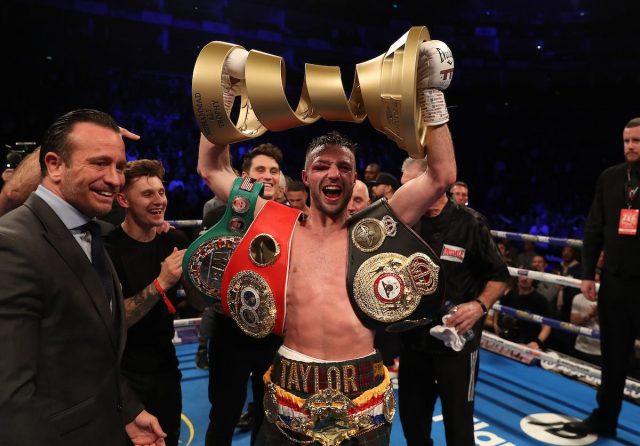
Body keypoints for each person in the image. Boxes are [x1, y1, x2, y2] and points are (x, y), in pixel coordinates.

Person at [196, 38, 456, 445]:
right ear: (305, 175)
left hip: (362, 394)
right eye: (322, 166)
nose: (333, 174)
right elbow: (211, 167)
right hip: (287, 390)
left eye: (343, 167)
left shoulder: (376, 227)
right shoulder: (275, 220)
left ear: (355, 178)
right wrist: (225, 93)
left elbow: (441, 176)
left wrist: (431, 98)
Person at [0, 109, 165, 446]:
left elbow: (91, 350)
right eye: (99, 163)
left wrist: (128, 411)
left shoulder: (89, 230)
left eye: (118, 167)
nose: (115, 179)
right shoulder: (13, 243)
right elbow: (10, 397)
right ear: (55, 165)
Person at [397, 157, 510, 446]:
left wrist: (479, 306)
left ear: (431, 185)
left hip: (457, 345)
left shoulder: (469, 223)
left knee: (459, 428)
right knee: (413, 424)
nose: (403, 196)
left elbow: (500, 277)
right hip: (413, 343)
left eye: (409, 188)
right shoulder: (404, 222)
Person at [104, 159, 192, 446]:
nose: (159, 201)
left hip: (166, 369)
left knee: (168, 440)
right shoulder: (108, 249)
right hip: (123, 375)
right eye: (147, 194)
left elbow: (201, 306)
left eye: (161, 192)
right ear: (122, 200)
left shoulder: (174, 240)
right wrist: (161, 282)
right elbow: (118, 321)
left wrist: (199, 278)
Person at [204, 143, 285, 446]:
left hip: (274, 336)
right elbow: (205, 273)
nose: (268, 176)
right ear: (244, 177)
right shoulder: (220, 215)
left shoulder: (292, 219)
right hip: (230, 335)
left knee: (269, 420)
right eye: (260, 170)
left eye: (274, 171)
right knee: (223, 415)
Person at [564, 117, 640, 438]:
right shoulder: (610, 178)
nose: (630, 146)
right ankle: (605, 418)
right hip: (615, 284)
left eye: (636, 141)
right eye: (626, 141)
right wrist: (586, 276)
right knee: (613, 356)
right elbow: (593, 229)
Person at [493, 275, 551, 351]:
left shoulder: (540, 300)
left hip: (528, 344)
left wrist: (537, 342)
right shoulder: (510, 294)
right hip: (508, 339)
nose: (524, 278)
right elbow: (497, 308)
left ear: (534, 279)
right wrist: (495, 324)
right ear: (517, 277)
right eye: (522, 275)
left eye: (528, 276)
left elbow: (547, 326)